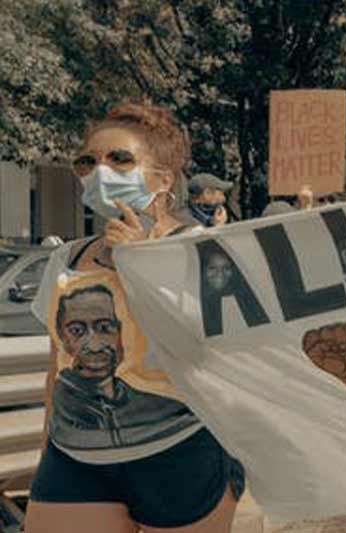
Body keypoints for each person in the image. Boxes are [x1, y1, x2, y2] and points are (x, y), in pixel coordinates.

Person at [26, 101, 244, 533]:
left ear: (162, 179)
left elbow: (210, 351)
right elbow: (58, 366)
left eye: (119, 159)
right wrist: (46, 450)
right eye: (87, 161)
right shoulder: (66, 259)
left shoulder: (204, 250)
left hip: (181, 452)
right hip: (75, 459)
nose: (99, 171)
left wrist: (139, 262)